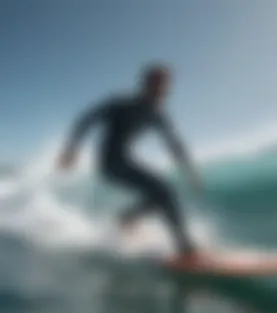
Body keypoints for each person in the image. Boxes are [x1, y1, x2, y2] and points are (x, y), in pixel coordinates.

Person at [57, 64, 201, 259]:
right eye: (157, 83)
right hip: (110, 163)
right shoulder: (122, 105)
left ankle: (127, 219)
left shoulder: (157, 114)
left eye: (165, 85)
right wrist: (71, 149)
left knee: (161, 195)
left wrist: (189, 170)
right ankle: (185, 249)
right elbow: (86, 118)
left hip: (125, 161)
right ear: (145, 84)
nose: (162, 89)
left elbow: (174, 144)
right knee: (164, 191)